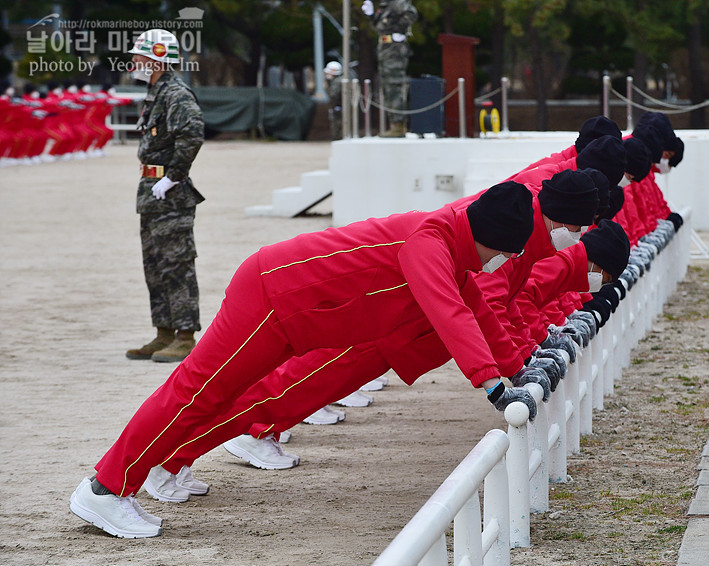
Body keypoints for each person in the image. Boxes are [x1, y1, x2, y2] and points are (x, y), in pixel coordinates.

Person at [68, 181, 540, 538]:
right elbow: (450, 311)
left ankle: (159, 464)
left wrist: (515, 368)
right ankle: (105, 488)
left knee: (216, 396)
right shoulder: (430, 241)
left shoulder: (457, 254)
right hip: (272, 298)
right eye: (502, 253)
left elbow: (476, 309)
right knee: (196, 390)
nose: (502, 262)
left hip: (292, 319)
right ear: (485, 235)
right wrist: (490, 384)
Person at [123, 29, 205, 364]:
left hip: (170, 194)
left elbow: (193, 134)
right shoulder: (156, 92)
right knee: (154, 265)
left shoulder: (176, 93)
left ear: (156, 58)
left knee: (176, 265)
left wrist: (173, 177)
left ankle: (185, 336)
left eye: (138, 56)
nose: (133, 61)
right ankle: (164, 332)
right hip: (152, 193)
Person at [361, 0, 418, 137]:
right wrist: (371, 16)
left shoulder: (397, 2)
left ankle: (398, 125)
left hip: (394, 48)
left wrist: (400, 29)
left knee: (394, 85)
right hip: (386, 48)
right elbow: (380, 27)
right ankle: (394, 123)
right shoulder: (385, 6)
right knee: (387, 86)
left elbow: (411, 14)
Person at [324, 61, 344, 140]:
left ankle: (337, 139)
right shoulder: (339, 80)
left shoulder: (337, 82)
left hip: (338, 107)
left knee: (337, 125)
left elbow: (333, 95)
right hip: (339, 107)